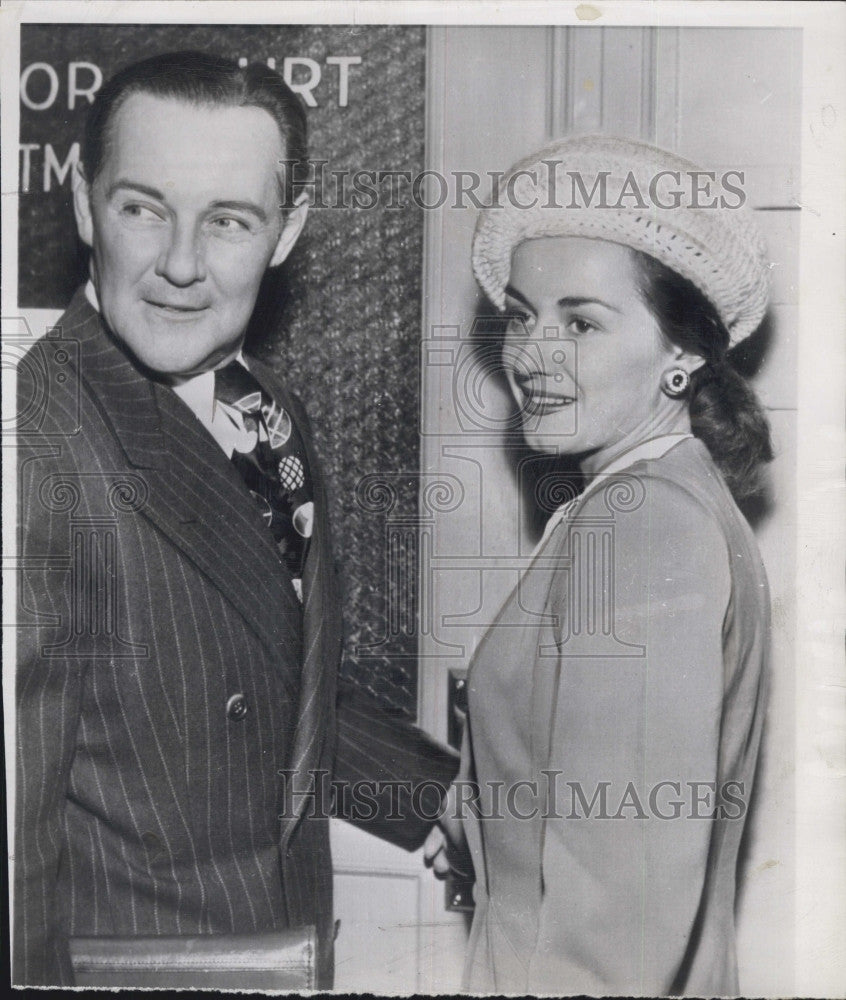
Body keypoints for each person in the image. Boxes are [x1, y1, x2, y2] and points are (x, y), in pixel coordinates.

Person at [14, 51, 457, 988]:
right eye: (143, 208)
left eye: (227, 221)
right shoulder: (35, 439)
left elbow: (283, 687)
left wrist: (448, 795)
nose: (180, 265)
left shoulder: (268, 409)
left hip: (282, 947)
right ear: (84, 204)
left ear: (287, 232)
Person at [424, 134, 773, 995]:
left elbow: (620, 932)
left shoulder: (646, 525)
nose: (532, 354)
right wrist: (477, 812)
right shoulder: (638, 501)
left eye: (580, 322)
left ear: (681, 358)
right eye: (521, 314)